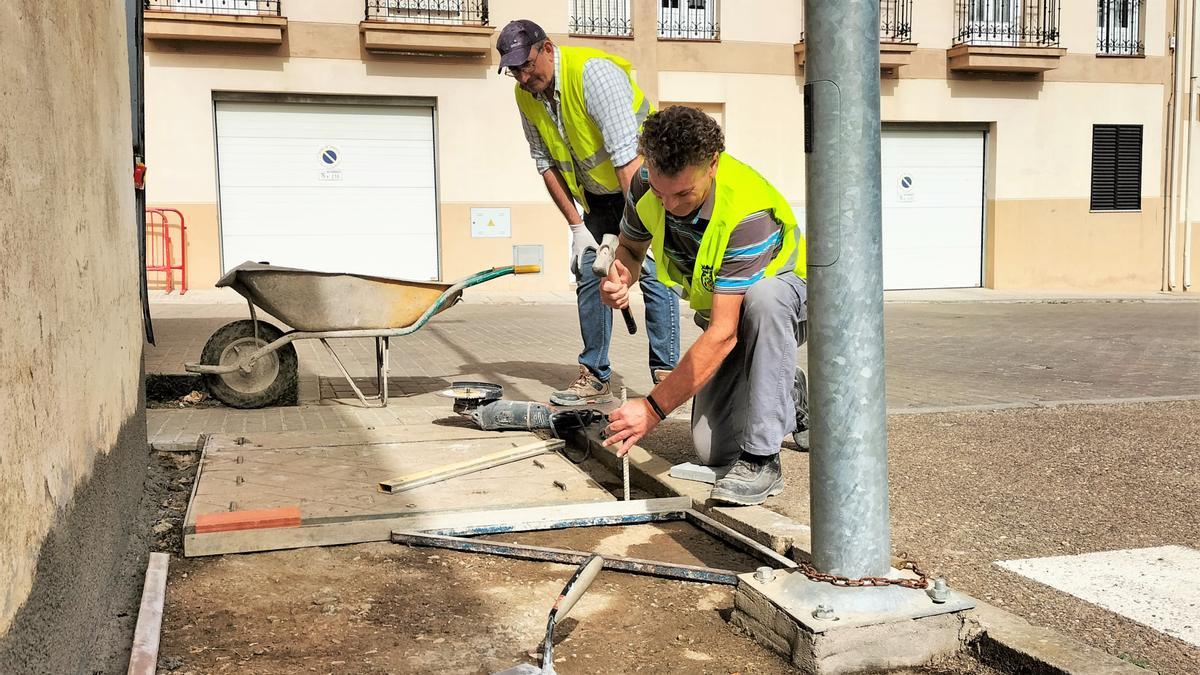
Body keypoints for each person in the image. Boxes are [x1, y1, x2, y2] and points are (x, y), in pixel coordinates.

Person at [600, 106, 809, 506]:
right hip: (728, 314)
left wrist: (652, 409)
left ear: (712, 164)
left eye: (683, 194)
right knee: (712, 449)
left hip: (789, 303)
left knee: (763, 301)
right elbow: (630, 248)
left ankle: (763, 461)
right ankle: (789, 390)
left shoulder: (747, 212)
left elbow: (725, 333)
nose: (671, 205)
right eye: (662, 194)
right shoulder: (648, 184)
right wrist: (620, 274)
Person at [497, 19, 679, 405]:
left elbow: (625, 158)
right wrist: (577, 227)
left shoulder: (594, 75)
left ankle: (667, 374)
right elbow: (544, 162)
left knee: (650, 274)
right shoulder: (525, 96)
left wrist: (635, 236)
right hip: (596, 199)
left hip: (641, 187)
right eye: (514, 71)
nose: (524, 77)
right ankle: (595, 375)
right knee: (589, 271)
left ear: (547, 48)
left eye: (527, 65)